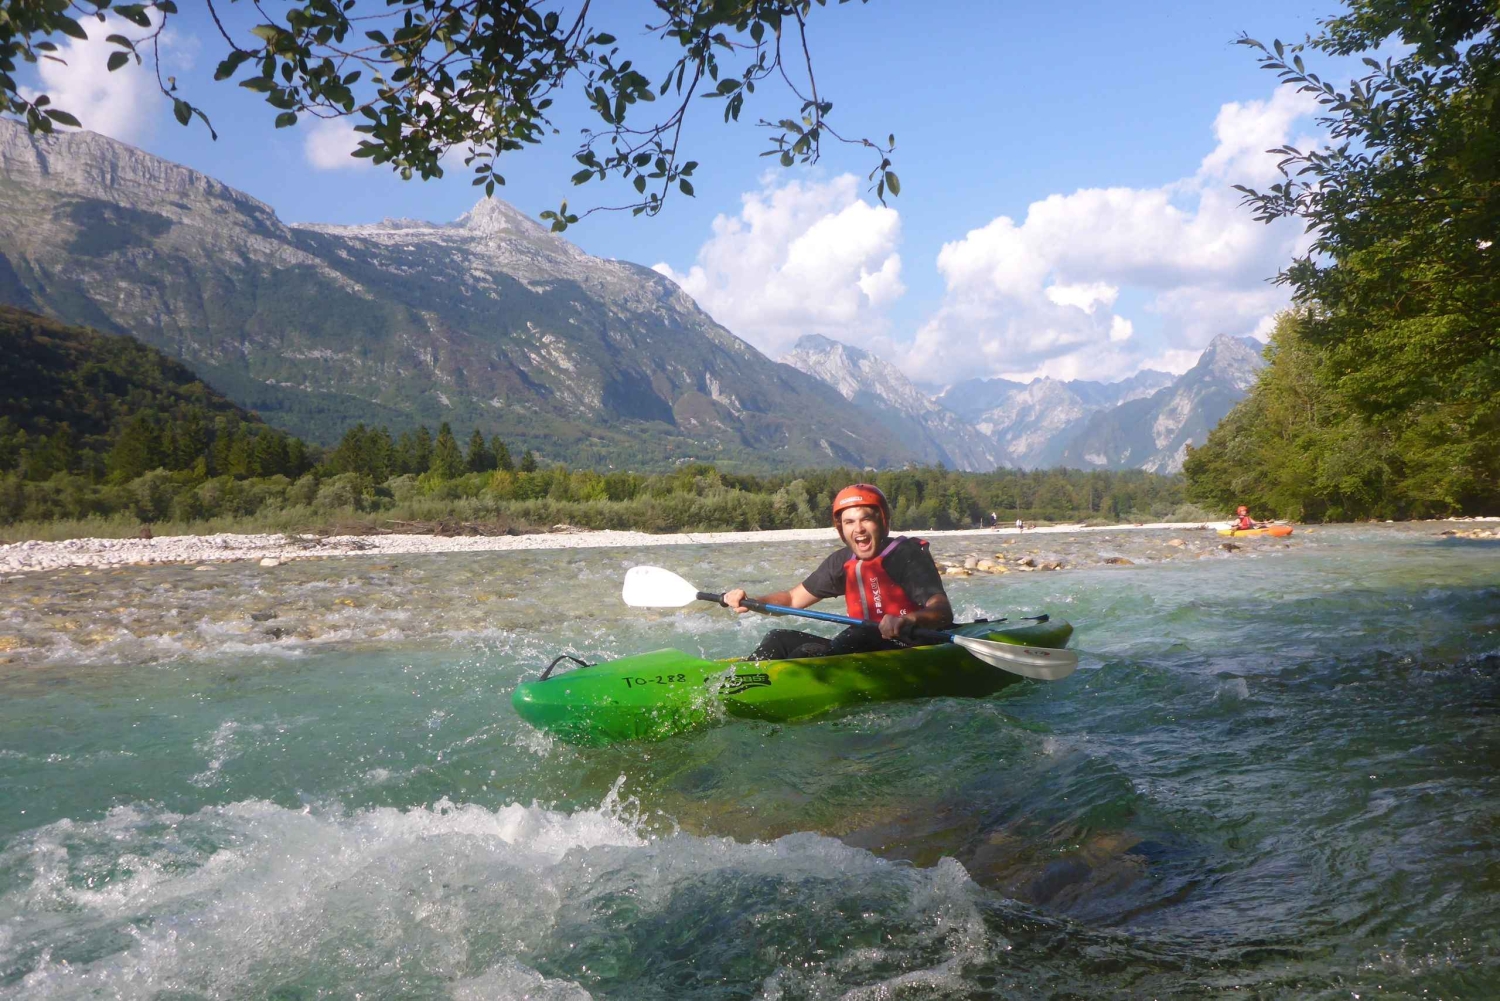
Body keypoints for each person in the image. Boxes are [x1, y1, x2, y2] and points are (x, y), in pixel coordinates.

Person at [723, 484, 954, 661]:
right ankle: (746, 681)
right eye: (850, 522)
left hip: (912, 645)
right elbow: (792, 599)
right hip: (862, 646)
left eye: (866, 519)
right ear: (841, 529)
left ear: (882, 522)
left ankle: (793, 680)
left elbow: (942, 611)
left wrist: (907, 619)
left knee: (859, 633)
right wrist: (753, 602)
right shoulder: (841, 562)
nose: (859, 528)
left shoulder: (907, 555)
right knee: (778, 638)